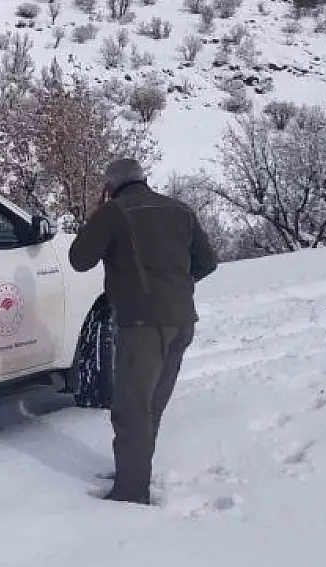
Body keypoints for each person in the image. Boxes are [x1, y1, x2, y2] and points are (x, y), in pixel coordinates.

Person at [68, 158, 219, 505]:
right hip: (182, 320)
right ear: (143, 179)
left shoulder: (114, 213)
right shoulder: (180, 210)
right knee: (152, 404)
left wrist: (98, 213)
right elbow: (208, 262)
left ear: (111, 185)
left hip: (141, 324)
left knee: (132, 407)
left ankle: (131, 491)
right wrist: (177, 287)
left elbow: (80, 259)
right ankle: (133, 471)